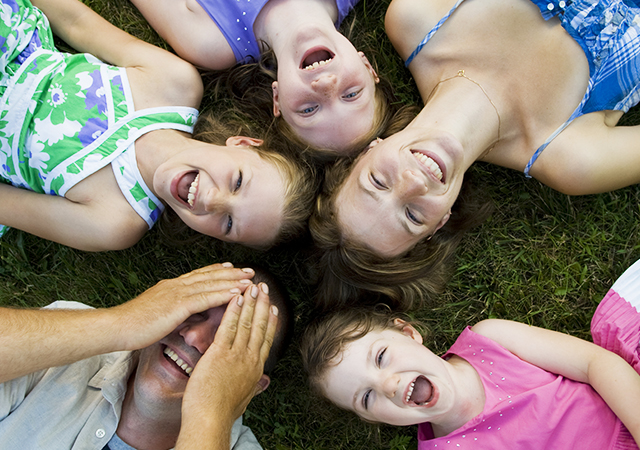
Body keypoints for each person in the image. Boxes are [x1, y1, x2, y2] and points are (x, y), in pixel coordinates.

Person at [309, 0, 640, 307]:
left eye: (377, 181)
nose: (412, 183)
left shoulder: (415, 18)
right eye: (412, 216)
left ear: (369, 149)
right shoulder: (570, 158)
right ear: (441, 221)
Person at [0, 0, 316, 252]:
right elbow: (76, 24)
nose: (213, 202)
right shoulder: (174, 84)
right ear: (244, 144)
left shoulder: (115, 221)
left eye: (229, 224)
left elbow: (7, 205)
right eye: (237, 182)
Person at [301, 258, 640, 449]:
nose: (388, 385)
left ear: (409, 332)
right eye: (367, 398)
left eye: (380, 357)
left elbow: (595, 363)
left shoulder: (491, 340)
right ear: (374, 420)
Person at [0, 262, 293, 449]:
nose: (193, 337)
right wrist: (124, 322)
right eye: (195, 313)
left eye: (227, 341)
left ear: (252, 387)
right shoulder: (71, 343)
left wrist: (210, 414)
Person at [129, 0, 394, 155]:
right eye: (351, 95)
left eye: (309, 109)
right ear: (367, 67)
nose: (324, 85)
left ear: (277, 97)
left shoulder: (210, 42)